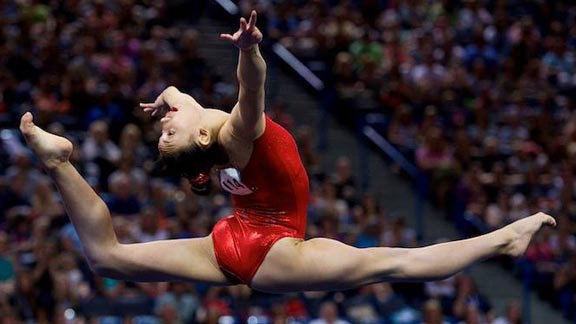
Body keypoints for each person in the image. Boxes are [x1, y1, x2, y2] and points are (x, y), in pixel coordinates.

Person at [19, 10, 556, 294]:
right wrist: (251, 51)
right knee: (393, 262)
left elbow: (179, 97)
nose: (166, 124)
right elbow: (252, 90)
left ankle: (60, 161)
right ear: (202, 139)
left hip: (230, 240)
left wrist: (166, 100)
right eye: (169, 131)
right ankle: (502, 239)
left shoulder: (197, 122)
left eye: (165, 129)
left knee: (108, 258)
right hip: (274, 248)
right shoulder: (230, 135)